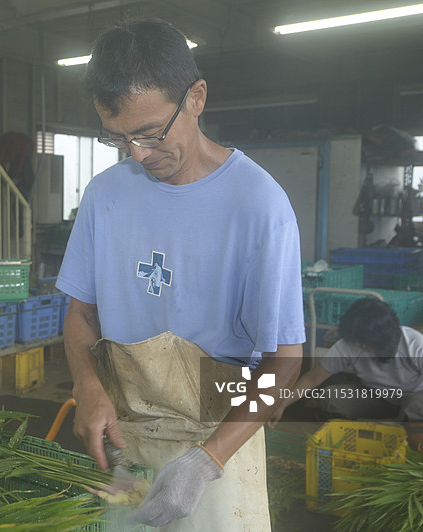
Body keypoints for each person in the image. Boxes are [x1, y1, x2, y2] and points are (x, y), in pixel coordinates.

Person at [55, 18, 306, 530]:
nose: (138, 154)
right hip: (126, 442)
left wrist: (207, 461)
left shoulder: (259, 206)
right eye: (119, 139)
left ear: (196, 97)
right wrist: (87, 384)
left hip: (219, 445)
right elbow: (81, 313)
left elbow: (284, 365)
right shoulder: (105, 196)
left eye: (149, 133)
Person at [269, 297, 423, 451]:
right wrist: (281, 404)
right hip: (378, 398)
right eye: (357, 340)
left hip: (413, 398)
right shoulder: (349, 345)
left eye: (364, 342)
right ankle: (343, 442)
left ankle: (413, 446)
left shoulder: (413, 343)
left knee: (414, 405)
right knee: (331, 398)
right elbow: (312, 378)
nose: (358, 345)